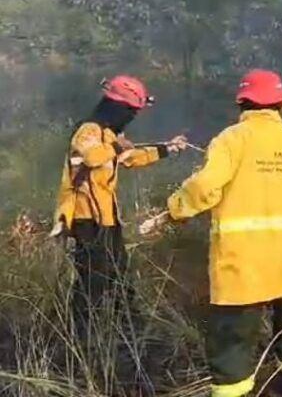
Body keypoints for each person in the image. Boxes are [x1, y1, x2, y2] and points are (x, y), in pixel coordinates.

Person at [143, 69, 282, 397]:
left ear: (242, 103)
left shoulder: (232, 139)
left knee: (233, 346)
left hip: (245, 264)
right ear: (281, 103)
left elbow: (205, 188)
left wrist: (174, 209)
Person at [52, 75, 188, 393]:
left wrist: (167, 149)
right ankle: (79, 344)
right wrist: (114, 145)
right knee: (91, 284)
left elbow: (130, 157)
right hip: (86, 220)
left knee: (119, 278)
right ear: (117, 107)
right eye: (131, 111)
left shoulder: (110, 135)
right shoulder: (89, 131)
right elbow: (92, 156)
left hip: (108, 220)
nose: (132, 118)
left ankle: (129, 332)